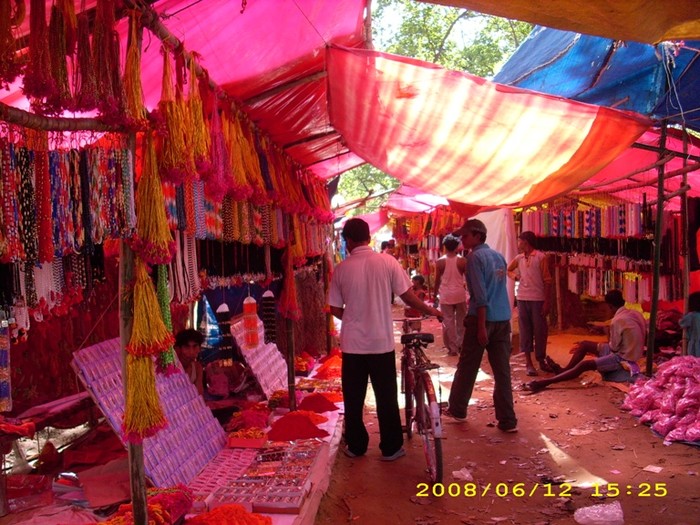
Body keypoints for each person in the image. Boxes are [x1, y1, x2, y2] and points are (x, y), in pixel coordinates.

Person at [329, 218, 442, 461]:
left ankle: (356, 446)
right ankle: (391, 447)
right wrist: (432, 310)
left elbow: (335, 309)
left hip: (353, 345)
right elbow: (408, 297)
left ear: (347, 241)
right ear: (369, 238)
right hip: (381, 342)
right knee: (386, 397)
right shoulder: (388, 262)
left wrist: (355, 317)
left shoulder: (341, 269)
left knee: (354, 397)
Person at [444, 219, 517, 433]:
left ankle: (457, 409)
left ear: (477, 236)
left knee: (468, 366)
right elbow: (498, 289)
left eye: (465, 236)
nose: (462, 240)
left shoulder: (474, 258)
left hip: (482, 319)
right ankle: (508, 420)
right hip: (502, 318)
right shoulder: (498, 257)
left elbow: (480, 296)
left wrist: (482, 326)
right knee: (502, 371)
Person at [524, 289, 646, 392]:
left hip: (624, 359)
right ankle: (565, 371)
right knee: (584, 345)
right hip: (630, 352)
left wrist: (607, 332)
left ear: (609, 306)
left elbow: (614, 348)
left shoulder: (617, 321)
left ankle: (546, 382)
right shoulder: (635, 314)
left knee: (585, 365)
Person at [507, 231, 553, 376]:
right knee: (525, 330)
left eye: (519, 241)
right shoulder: (519, 258)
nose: (518, 244)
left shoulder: (540, 257)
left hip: (538, 299)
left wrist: (546, 302)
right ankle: (529, 362)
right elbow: (508, 269)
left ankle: (541, 359)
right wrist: (515, 276)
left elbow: (547, 281)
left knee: (540, 330)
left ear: (526, 242)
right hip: (522, 298)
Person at [434, 234, 467, 356]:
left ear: (444, 246)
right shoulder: (462, 261)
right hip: (460, 294)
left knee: (448, 321)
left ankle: (452, 348)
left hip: (446, 294)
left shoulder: (440, 262)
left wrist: (434, 294)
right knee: (461, 321)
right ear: (457, 246)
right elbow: (468, 279)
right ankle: (461, 344)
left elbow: (437, 280)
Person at [174, 329, 205, 395]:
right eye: (186, 347)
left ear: (199, 348)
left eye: (195, 346)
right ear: (179, 349)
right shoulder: (172, 367)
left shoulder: (197, 368)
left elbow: (199, 395)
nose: (191, 352)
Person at [679, 292, 700, 357]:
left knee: (694, 360)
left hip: (695, 342)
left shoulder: (692, 315)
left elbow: (682, 323)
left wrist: (684, 315)